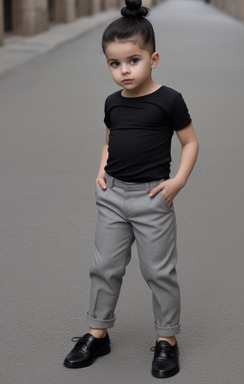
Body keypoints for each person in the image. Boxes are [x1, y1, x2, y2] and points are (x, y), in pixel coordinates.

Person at [64, 0, 198, 378]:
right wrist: (100, 171)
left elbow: (190, 142)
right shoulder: (113, 103)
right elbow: (109, 139)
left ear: (153, 59)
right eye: (114, 63)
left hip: (153, 197)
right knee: (103, 267)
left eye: (133, 60)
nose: (124, 70)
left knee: (159, 272)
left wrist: (179, 181)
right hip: (112, 197)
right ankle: (97, 332)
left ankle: (166, 340)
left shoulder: (169, 100)